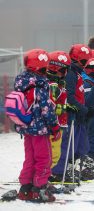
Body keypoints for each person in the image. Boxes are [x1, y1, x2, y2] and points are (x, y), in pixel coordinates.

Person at [15, 49, 60, 202]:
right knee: (43, 158)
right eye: (45, 67)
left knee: (30, 158)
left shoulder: (21, 82)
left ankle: (25, 187)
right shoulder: (40, 85)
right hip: (40, 130)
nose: (47, 71)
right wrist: (54, 126)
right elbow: (47, 108)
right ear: (39, 68)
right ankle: (40, 187)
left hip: (26, 128)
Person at [51, 44, 94, 181]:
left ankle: (68, 167)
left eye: (87, 61)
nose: (85, 64)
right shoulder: (70, 74)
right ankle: (58, 171)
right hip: (70, 115)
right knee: (67, 146)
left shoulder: (77, 73)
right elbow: (69, 96)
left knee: (81, 146)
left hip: (78, 115)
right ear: (76, 59)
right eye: (83, 61)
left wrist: (85, 109)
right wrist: (82, 109)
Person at [47, 51, 71, 169]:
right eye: (65, 69)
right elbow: (51, 104)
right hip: (54, 124)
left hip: (60, 122)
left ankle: (47, 175)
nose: (66, 73)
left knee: (57, 151)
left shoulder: (59, 83)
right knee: (53, 152)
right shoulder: (53, 85)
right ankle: (45, 176)